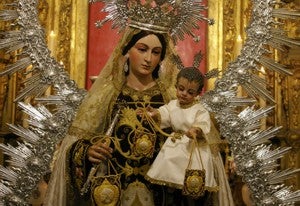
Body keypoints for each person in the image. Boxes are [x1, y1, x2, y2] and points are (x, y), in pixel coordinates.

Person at [142, 67, 227, 204]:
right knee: (169, 175)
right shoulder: (173, 104)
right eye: (181, 89)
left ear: (198, 93)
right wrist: (154, 113)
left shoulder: (200, 109)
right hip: (175, 145)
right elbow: (165, 113)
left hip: (193, 147)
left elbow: (203, 124)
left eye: (190, 92)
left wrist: (196, 130)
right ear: (176, 86)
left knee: (191, 182)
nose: (184, 94)